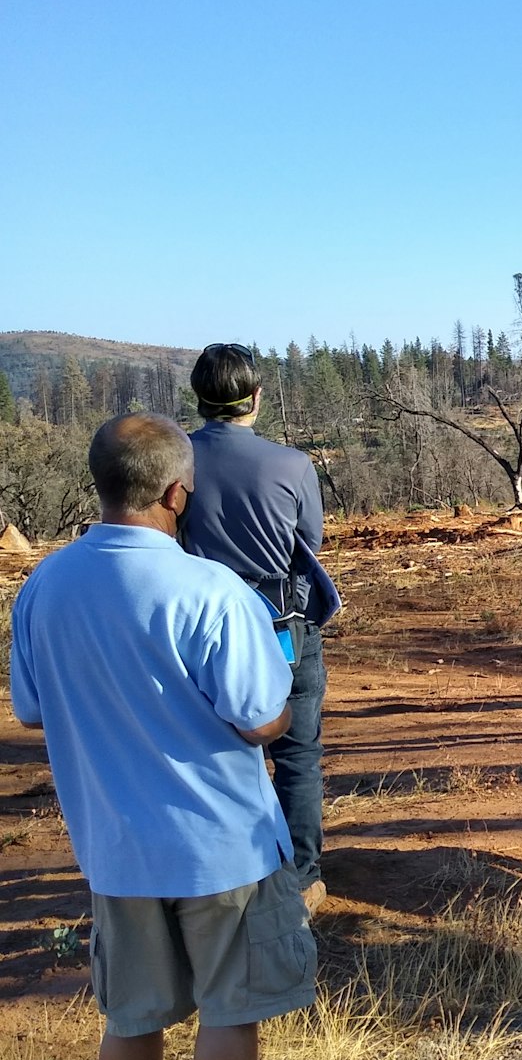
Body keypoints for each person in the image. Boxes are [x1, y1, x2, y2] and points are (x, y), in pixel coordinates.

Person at [12, 414, 326, 1060]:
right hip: (220, 844)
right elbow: (261, 719)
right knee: (230, 1010)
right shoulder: (211, 591)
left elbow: (33, 709)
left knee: (133, 1015)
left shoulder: (43, 587)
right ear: (177, 492)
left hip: (114, 846)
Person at [179, 342, 334, 911]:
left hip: (200, 631)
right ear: (257, 397)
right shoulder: (291, 464)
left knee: (215, 752)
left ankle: (224, 878)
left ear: (198, 398)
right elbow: (309, 544)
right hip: (282, 623)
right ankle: (299, 880)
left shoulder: (179, 463)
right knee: (296, 754)